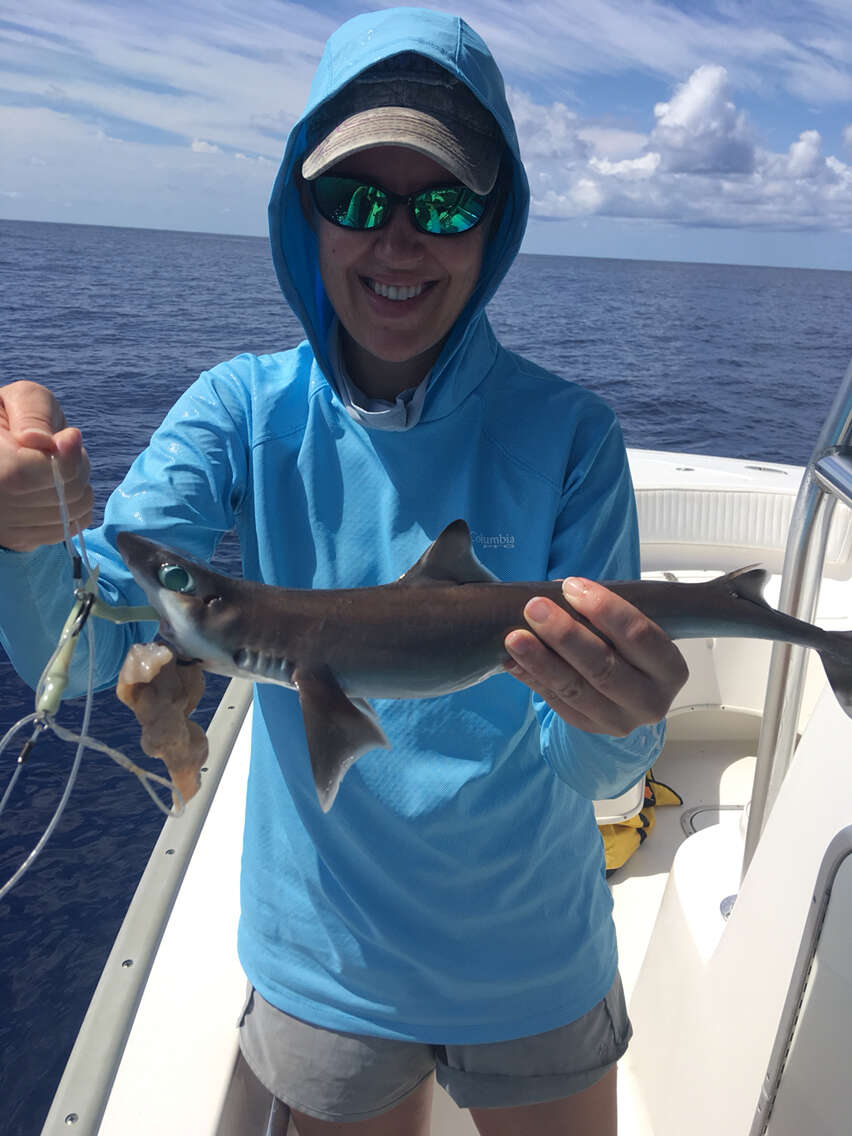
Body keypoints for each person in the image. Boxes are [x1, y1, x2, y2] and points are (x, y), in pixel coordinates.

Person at [0, 8, 687, 1134]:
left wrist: (626, 723)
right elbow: (98, 638)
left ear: (494, 220)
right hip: (326, 958)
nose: (398, 240)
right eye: (358, 198)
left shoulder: (571, 436)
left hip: (533, 952)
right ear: (302, 211)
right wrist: (23, 529)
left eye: (446, 203)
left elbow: (598, 768)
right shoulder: (241, 410)